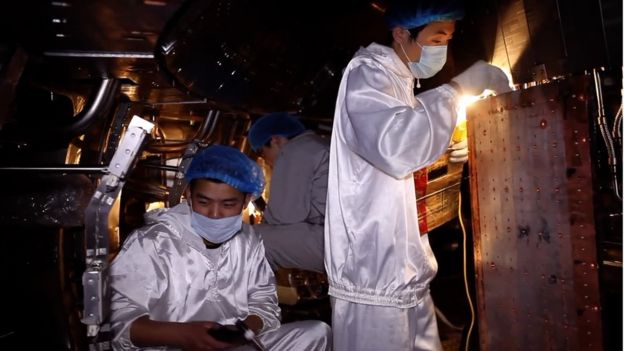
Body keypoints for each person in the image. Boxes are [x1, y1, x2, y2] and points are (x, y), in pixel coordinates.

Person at [324, 1, 511, 350]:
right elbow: (395, 147)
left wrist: (449, 144)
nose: (442, 48)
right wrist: (457, 91)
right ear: (400, 34)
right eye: (437, 39)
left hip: (404, 267)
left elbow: (402, 144)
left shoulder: (400, 79)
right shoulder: (368, 73)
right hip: (373, 273)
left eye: (448, 40)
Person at [109, 145, 331, 350]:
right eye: (203, 202)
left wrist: (243, 331)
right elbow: (122, 326)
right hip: (173, 346)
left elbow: (265, 304)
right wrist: (184, 335)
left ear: (246, 202)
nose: (215, 214)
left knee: (316, 333)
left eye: (228, 204)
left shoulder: (248, 242)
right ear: (188, 195)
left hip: (235, 346)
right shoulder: (152, 243)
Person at [247, 112, 329, 273]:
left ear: (275, 140)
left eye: (263, 153)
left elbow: (284, 217)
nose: (267, 162)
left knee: (250, 240)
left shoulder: (295, 150)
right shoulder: (320, 143)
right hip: (354, 240)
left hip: (338, 245)